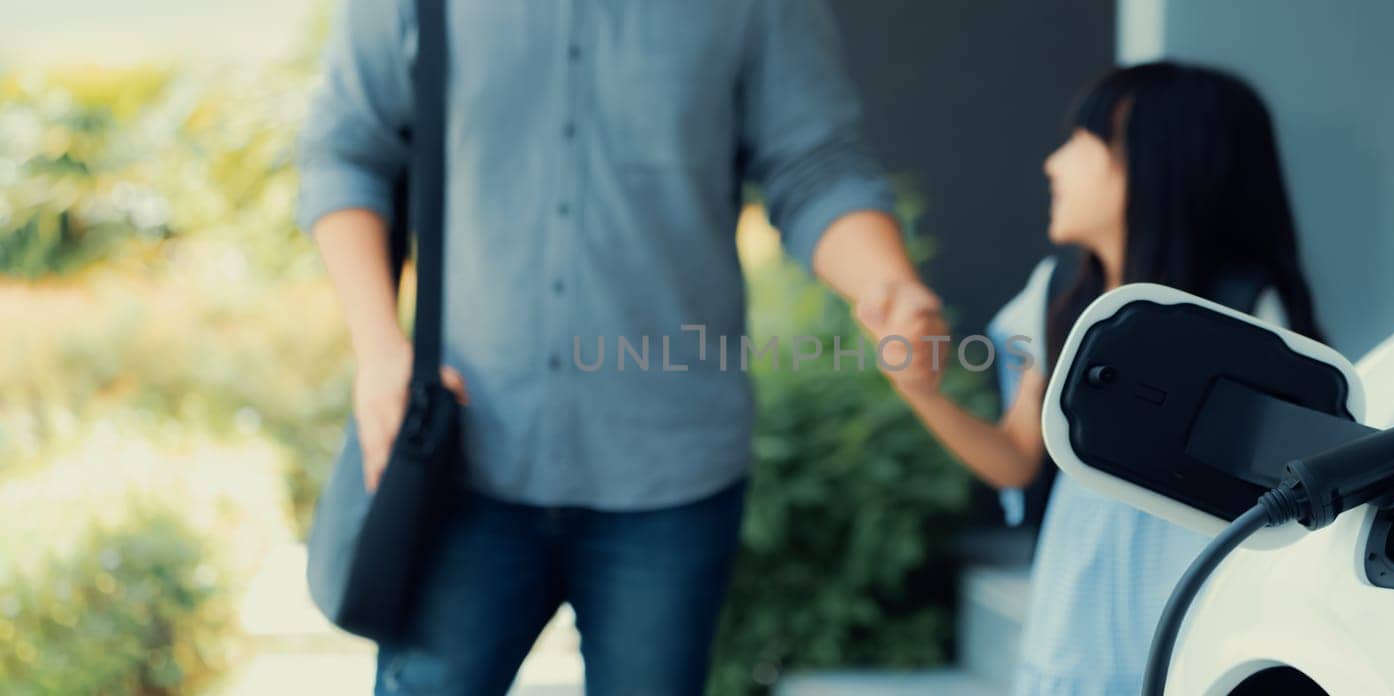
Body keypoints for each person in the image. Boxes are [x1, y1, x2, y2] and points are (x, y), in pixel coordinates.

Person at [296, 1, 947, 694]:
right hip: (458, 460)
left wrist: (890, 287)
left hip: (672, 472)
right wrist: (379, 350)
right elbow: (346, 152)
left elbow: (814, 164)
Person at [882, 62, 1325, 694]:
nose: (1052, 165)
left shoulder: (1251, 314)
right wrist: (918, 390)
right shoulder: (1060, 294)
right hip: (1076, 613)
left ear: (1154, 163)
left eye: (1081, 142)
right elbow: (1015, 458)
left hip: (1185, 600)